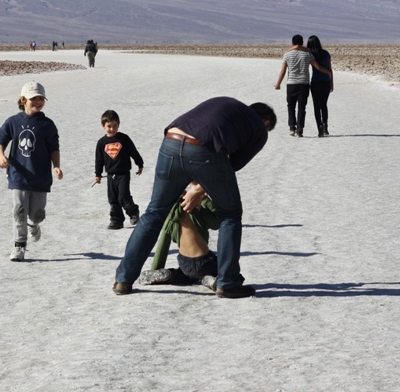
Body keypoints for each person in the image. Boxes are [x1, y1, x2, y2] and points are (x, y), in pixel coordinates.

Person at [113, 97, 277, 299]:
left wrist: (197, 188)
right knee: (230, 215)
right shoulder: (258, 129)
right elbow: (229, 166)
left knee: (154, 213)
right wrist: (200, 189)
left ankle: (123, 280)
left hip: (171, 140)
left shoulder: (227, 104)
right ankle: (228, 282)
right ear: (266, 123)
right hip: (203, 149)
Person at [0, 81, 64, 262]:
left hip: (41, 176)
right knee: (19, 211)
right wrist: (1, 156)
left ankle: (34, 224)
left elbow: (54, 148)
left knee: (37, 214)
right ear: (23, 99)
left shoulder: (47, 124)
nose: (38, 102)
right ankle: (19, 246)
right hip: (18, 175)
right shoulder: (13, 122)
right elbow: (1, 140)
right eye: (34, 98)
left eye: (41, 98)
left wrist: (56, 166)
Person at [137, 193, 221, 291]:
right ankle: (213, 281)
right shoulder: (196, 206)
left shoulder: (171, 216)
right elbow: (217, 223)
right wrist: (204, 197)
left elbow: (163, 244)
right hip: (204, 262)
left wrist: (155, 268)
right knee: (231, 271)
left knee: (188, 275)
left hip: (184, 263)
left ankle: (172, 275)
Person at [95, 110, 144, 229]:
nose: (112, 129)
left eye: (115, 126)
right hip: (110, 175)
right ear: (103, 126)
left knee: (123, 196)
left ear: (118, 125)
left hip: (123, 174)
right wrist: (98, 174)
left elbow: (133, 152)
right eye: (109, 126)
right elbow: (99, 160)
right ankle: (116, 220)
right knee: (112, 199)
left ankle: (133, 212)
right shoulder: (101, 143)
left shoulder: (124, 139)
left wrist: (139, 163)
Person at [274, 34, 331, 137]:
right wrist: (329, 74)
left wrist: (278, 84)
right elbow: (320, 67)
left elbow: (283, 71)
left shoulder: (288, 54)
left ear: (292, 43)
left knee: (291, 106)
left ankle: (292, 128)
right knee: (304, 107)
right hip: (306, 84)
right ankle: (302, 129)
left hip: (293, 84)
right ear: (302, 43)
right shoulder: (310, 54)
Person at [307, 35, 333, 137]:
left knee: (316, 107)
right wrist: (331, 82)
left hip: (316, 83)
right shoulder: (326, 54)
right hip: (326, 82)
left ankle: (320, 129)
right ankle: (325, 126)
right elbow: (330, 69)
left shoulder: (311, 55)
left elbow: (319, 68)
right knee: (324, 105)